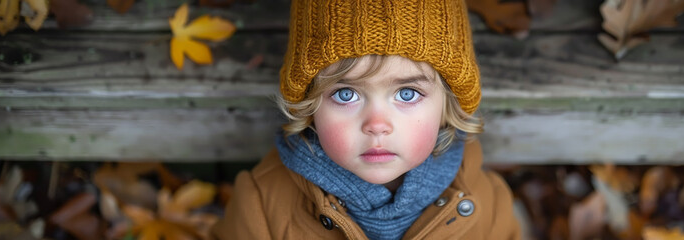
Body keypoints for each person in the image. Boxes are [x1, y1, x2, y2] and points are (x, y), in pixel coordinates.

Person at [211, 0, 521, 239]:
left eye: (408, 94)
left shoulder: (485, 202)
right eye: (346, 94)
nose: (376, 124)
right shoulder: (262, 205)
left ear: (447, 105)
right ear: (309, 105)